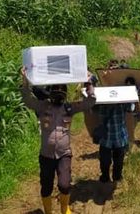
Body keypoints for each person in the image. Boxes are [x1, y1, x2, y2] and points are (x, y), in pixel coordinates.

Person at [21, 68, 96, 214]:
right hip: (46, 155)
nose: (59, 93)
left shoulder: (69, 108)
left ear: (65, 93)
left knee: (65, 185)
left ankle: (64, 209)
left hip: (64, 154)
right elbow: (28, 100)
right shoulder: (42, 107)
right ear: (51, 92)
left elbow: (90, 102)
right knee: (46, 186)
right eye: (56, 90)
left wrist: (89, 83)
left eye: (62, 90)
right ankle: (48, 211)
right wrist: (25, 80)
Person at [97, 87, 135, 183]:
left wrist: (132, 94)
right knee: (104, 161)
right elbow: (98, 114)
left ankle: (117, 177)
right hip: (107, 138)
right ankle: (105, 176)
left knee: (118, 161)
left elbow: (131, 108)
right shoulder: (103, 103)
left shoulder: (123, 103)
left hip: (119, 137)